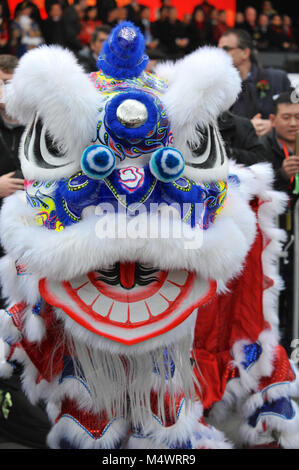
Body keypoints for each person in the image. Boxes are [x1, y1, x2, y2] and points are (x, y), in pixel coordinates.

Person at [260, 90, 299, 354]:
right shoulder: (263, 146)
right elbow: (257, 186)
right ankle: (278, 352)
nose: (294, 123)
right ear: (273, 119)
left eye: (298, 117)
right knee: (277, 293)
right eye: (286, 117)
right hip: (275, 234)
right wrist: (281, 174)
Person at [218, 28, 292, 137]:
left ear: (245, 53)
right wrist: (246, 125)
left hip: (272, 149)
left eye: (226, 49)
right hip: (235, 150)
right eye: (218, 49)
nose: (219, 54)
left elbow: (295, 109)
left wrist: (274, 124)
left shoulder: (277, 78)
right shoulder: (217, 87)